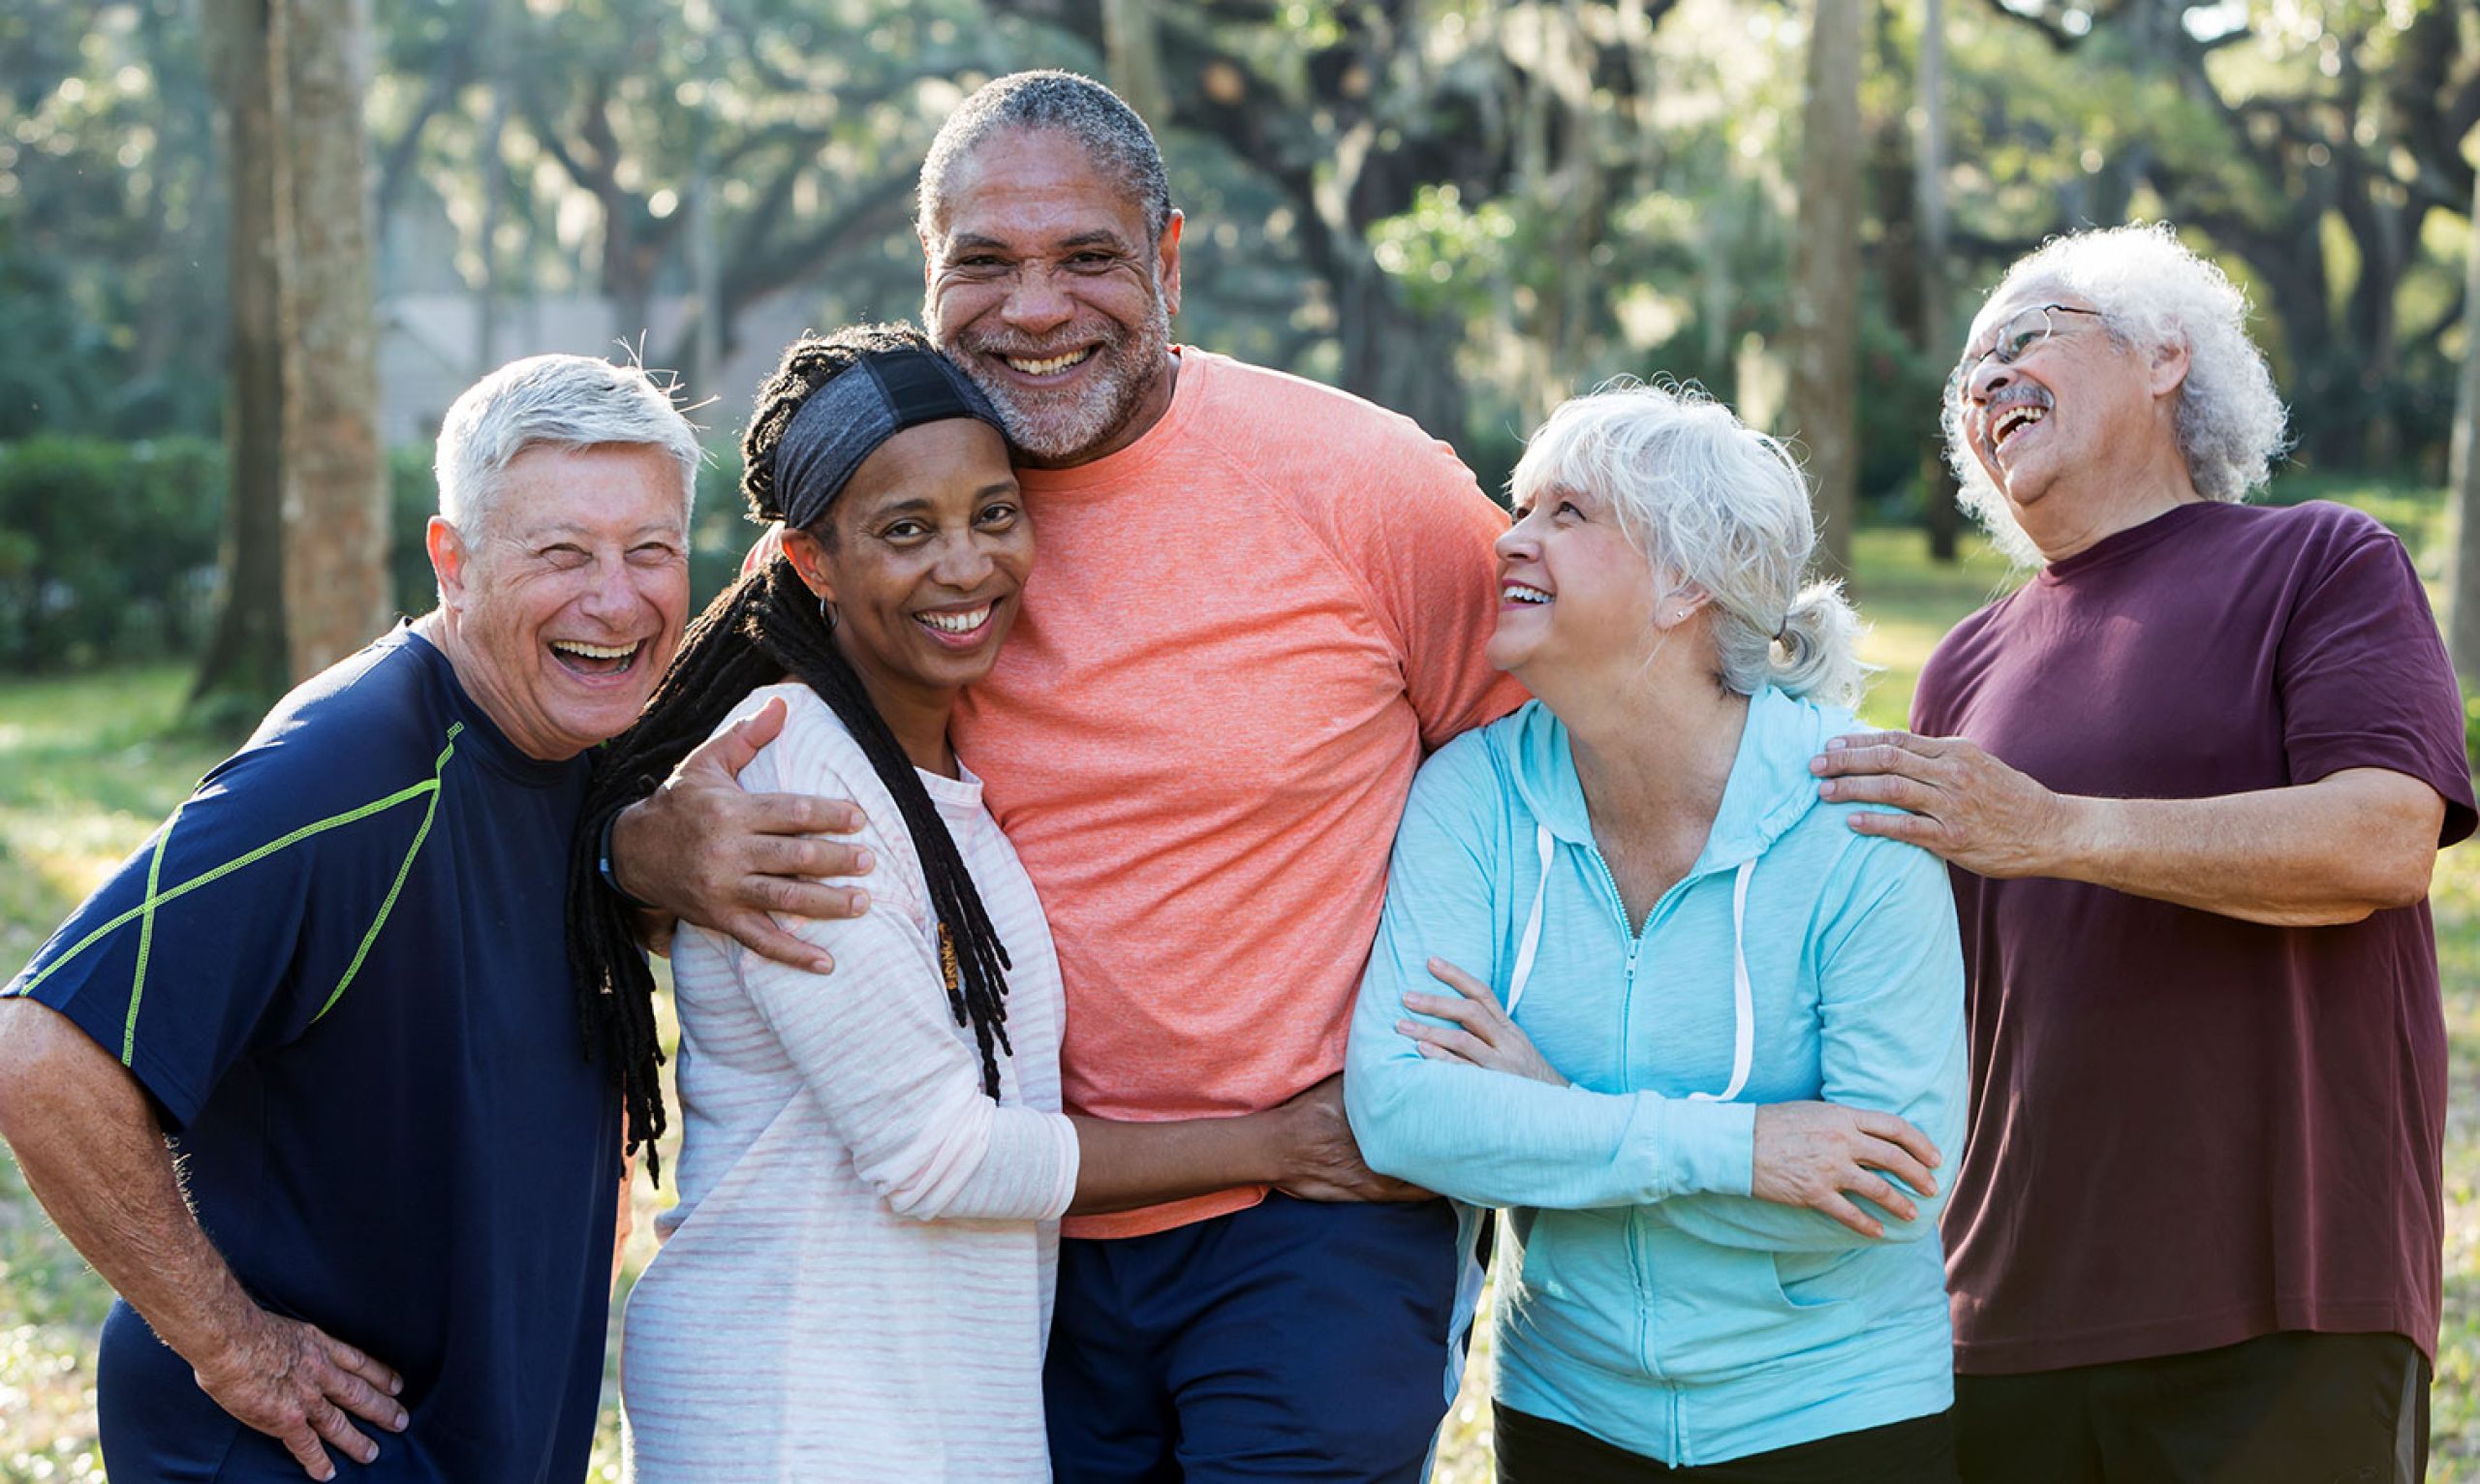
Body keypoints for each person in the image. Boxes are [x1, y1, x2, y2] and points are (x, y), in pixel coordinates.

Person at [602, 71, 1527, 1479]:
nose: (1033, 309)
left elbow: (1550, 758)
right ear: (930, 275)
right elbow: (624, 762)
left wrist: (1516, 1064)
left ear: (1165, 259)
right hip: (1015, 1248)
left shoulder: (1367, 485)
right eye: (984, 263)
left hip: (1322, 1203)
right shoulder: (874, 522)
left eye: (1087, 257)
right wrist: (639, 848)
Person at [1810, 223, 2473, 1483]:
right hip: (1994, 1322)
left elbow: (2385, 839)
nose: (1986, 381)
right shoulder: (1963, 661)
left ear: (2166, 353)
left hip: (2278, 1310)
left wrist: (2058, 828)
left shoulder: (2323, 561)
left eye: (2023, 337)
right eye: (1968, 375)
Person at [0, 354, 699, 1482]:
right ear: (453, 561)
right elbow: (40, 1057)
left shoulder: (584, 735)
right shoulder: (344, 775)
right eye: (562, 551)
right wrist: (238, 1348)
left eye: (649, 551)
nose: (614, 598)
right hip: (291, 1448)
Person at [1345, 383, 1968, 1483]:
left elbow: (1888, 1187)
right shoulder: (1472, 793)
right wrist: (1746, 1149)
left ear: (1688, 581)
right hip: (1566, 1402)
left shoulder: (1855, 814)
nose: (1511, 539)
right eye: (1519, 505)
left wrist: (1548, 1111)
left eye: (1567, 514)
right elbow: (1400, 1111)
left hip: (1836, 1408)